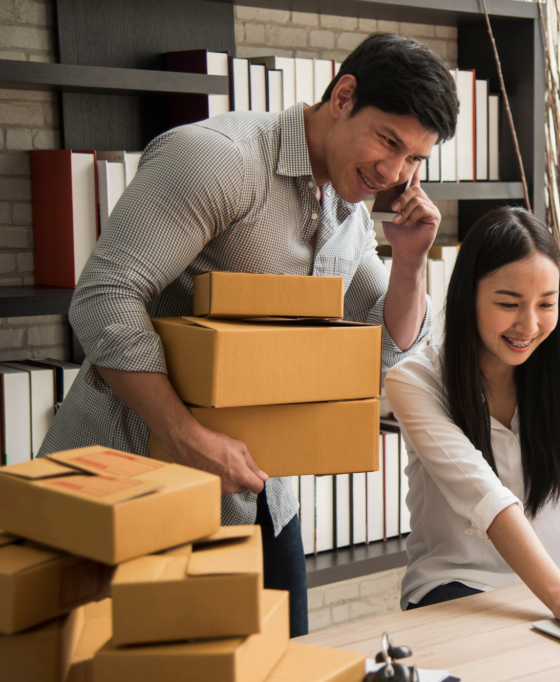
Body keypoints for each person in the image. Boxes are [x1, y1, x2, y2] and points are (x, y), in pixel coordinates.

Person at [38, 33, 459, 637]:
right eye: (388, 141)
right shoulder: (218, 159)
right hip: (134, 478)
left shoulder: (350, 206)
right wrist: (186, 435)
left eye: (415, 159)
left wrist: (412, 263)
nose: (395, 173)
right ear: (343, 96)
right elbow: (104, 297)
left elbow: (386, 349)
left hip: (261, 494)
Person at [385, 207, 560, 635]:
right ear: (468, 297)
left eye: (546, 304)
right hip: (462, 587)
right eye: (508, 303)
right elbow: (485, 497)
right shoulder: (413, 381)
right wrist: (558, 596)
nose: (529, 325)